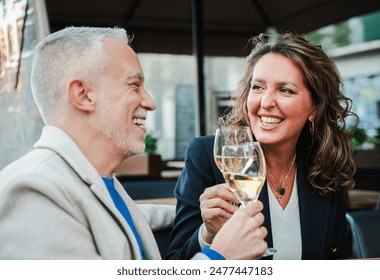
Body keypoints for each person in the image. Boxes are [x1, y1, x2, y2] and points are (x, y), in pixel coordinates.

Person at [0, 26, 268, 260]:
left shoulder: (101, 184)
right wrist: (219, 257)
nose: (150, 102)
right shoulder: (32, 189)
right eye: (134, 85)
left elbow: (142, 217)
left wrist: (204, 220)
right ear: (82, 95)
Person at [166, 32, 357, 260]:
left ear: (314, 108)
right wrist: (207, 234)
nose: (266, 103)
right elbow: (175, 264)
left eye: (285, 90)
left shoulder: (324, 165)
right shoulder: (208, 156)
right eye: (258, 87)